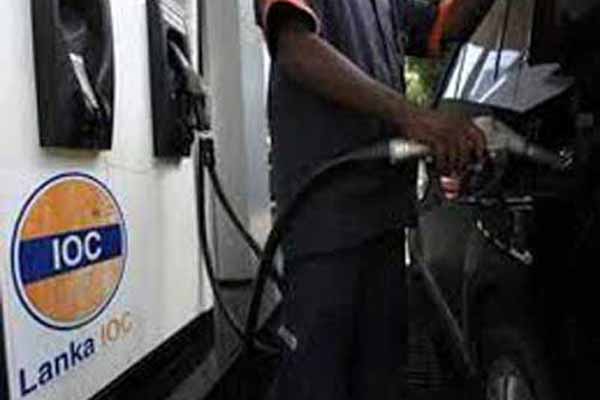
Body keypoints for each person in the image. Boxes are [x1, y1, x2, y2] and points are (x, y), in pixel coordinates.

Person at [254, 1, 493, 399]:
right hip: (328, 221)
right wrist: (414, 117)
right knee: (318, 382)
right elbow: (295, 48)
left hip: (384, 218)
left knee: (380, 379)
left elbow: (444, 25)